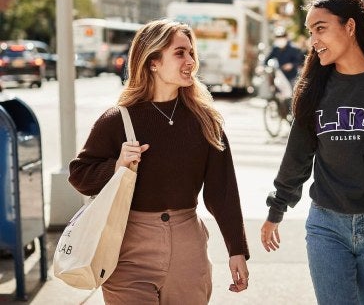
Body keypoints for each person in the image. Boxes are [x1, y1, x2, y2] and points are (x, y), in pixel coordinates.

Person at [68, 19, 249, 304]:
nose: (190, 61)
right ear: (153, 61)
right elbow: (79, 175)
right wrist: (116, 166)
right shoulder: (118, 119)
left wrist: (236, 249)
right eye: (180, 53)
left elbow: (222, 191)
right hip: (128, 250)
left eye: (191, 53)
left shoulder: (206, 121)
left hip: (187, 246)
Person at [260, 0, 364, 304]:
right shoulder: (313, 90)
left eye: (321, 28)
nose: (313, 40)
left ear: (349, 27)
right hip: (326, 224)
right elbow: (298, 155)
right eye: (310, 32)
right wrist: (276, 208)